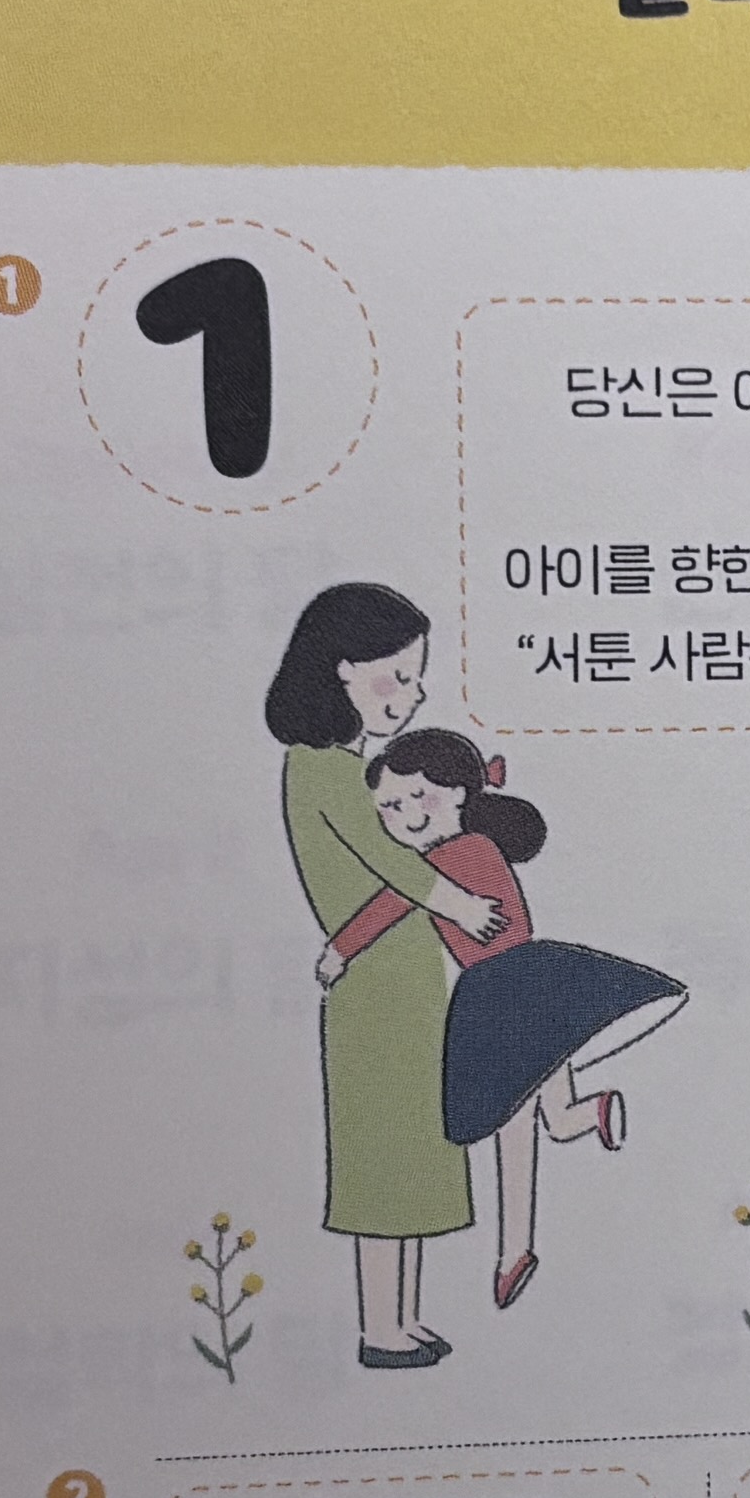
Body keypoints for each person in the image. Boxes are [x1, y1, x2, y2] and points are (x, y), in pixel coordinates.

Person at [322, 730, 688, 1311]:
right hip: (533, 980)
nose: (407, 815)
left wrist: (340, 950)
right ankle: (582, 1119)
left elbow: (391, 902)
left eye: (420, 797)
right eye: (390, 806)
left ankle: (516, 1248)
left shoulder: (456, 854)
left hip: (500, 990)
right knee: (543, 1106)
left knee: (515, 1120)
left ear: (458, 795)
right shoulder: (467, 849)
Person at [259, 581, 497, 1370]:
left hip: (407, 980)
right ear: (341, 669)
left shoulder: (351, 769)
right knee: (381, 1162)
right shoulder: (320, 769)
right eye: (397, 675)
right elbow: (391, 862)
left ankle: (403, 1317)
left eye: (415, 677)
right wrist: (459, 903)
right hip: (373, 989)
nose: (413, 693)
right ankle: (379, 1328)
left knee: (412, 1154)